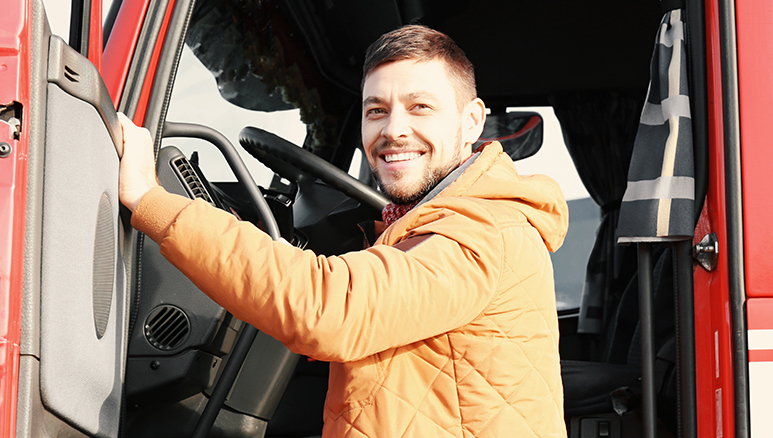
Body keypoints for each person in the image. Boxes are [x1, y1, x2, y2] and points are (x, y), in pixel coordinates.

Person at [119, 25, 569, 437]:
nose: (393, 130)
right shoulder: (431, 224)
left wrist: (149, 200)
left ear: (472, 120)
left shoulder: (484, 230)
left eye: (420, 108)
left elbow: (330, 307)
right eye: (377, 110)